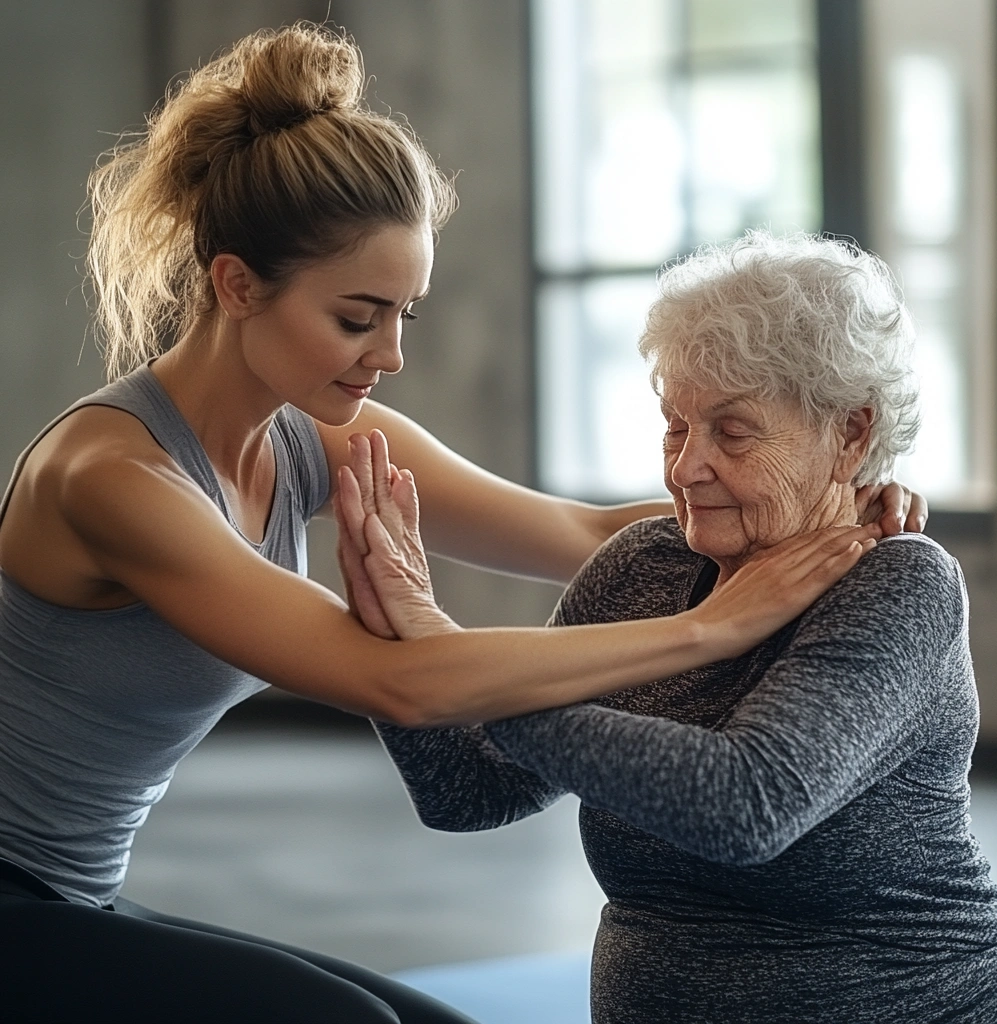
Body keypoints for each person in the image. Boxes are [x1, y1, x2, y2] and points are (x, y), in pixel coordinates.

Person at [0, 24, 927, 1024]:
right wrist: (714, 624)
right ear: (235, 286)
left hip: (70, 893)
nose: (390, 353)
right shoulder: (114, 478)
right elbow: (401, 677)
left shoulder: (310, 434)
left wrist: (816, 505)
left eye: (407, 313)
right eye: (359, 316)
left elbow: (579, 531)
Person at [346, 231, 997, 1024]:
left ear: (851, 434)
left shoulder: (899, 584)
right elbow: (468, 790)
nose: (684, 467)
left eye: (732, 432)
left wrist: (451, 663)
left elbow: (747, 803)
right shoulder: (645, 568)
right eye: (675, 426)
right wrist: (391, 625)